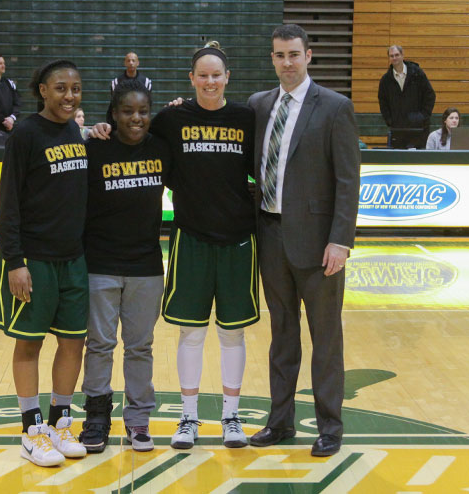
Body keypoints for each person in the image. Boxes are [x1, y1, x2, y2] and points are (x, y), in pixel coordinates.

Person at [89, 42, 257, 450]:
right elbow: (132, 128)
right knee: (191, 333)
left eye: (217, 75)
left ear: (227, 78)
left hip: (238, 240)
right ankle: (188, 418)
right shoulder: (171, 119)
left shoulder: (247, 119)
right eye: (203, 75)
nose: (210, 81)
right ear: (192, 79)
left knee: (232, 334)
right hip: (190, 238)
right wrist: (98, 129)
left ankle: (231, 418)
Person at [247, 24, 360, 457]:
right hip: (271, 236)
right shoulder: (260, 105)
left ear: (308, 56)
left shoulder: (334, 107)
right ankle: (281, 422)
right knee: (282, 337)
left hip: (318, 246)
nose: (287, 63)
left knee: (325, 339)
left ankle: (330, 426)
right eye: (279, 55)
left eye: (294, 54)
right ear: (272, 58)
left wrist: (340, 241)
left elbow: (348, 181)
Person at [0, 59, 88, 468]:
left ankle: (59, 422)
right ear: (42, 91)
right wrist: (15, 261)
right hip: (33, 259)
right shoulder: (26, 134)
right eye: (61, 88)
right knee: (29, 343)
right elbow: (8, 201)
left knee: (73, 341)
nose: (69, 95)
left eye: (76, 88)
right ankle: (31, 431)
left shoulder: (76, 132)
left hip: (74, 258)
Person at [78, 79, 172, 454]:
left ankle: (138, 420)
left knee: (140, 346)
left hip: (146, 267)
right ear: (113, 116)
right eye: (128, 112)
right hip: (100, 263)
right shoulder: (95, 149)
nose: (137, 118)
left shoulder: (162, 150)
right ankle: (97, 416)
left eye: (143, 112)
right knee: (99, 344)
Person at [377, 45, 435, 147]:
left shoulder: (417, 73)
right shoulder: (385, 80)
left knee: (418, 160)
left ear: (402, 55)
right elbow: (383, 103)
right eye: (391, 56)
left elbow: (430, 95)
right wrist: (390, 120)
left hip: (419, 129)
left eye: (397, 55)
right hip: (398, 129)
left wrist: (422, 116)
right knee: (399, 161)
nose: (394, 58)